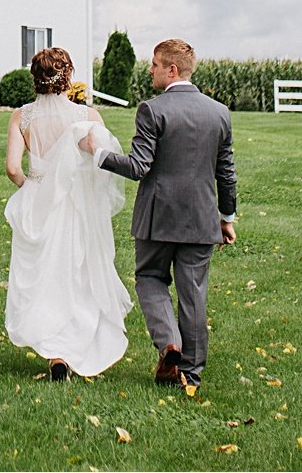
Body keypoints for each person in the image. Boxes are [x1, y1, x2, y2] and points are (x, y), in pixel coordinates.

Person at [91, 37, 238, 401]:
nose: (151, 69)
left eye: (155, 64)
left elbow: (139, 167)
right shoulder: (219, 112)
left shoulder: (152, 110)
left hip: (158, 218)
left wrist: (99, 154)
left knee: (150, 278)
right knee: (193, 295)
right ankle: (191, 375)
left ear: (172, 69)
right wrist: (227, 216)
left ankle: (169, 343)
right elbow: (226, 172)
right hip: (202, 219)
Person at [3, 45, 132, 379]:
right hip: (75, 206)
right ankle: (73, 347)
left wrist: (33, 187)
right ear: (68, 76)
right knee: (76, 274)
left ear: (35, 78)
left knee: (44, 278)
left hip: (39, 204)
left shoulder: (22, 116)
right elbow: (101, 164)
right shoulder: (86, 117)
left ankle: (55, 352)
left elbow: (13, 168)